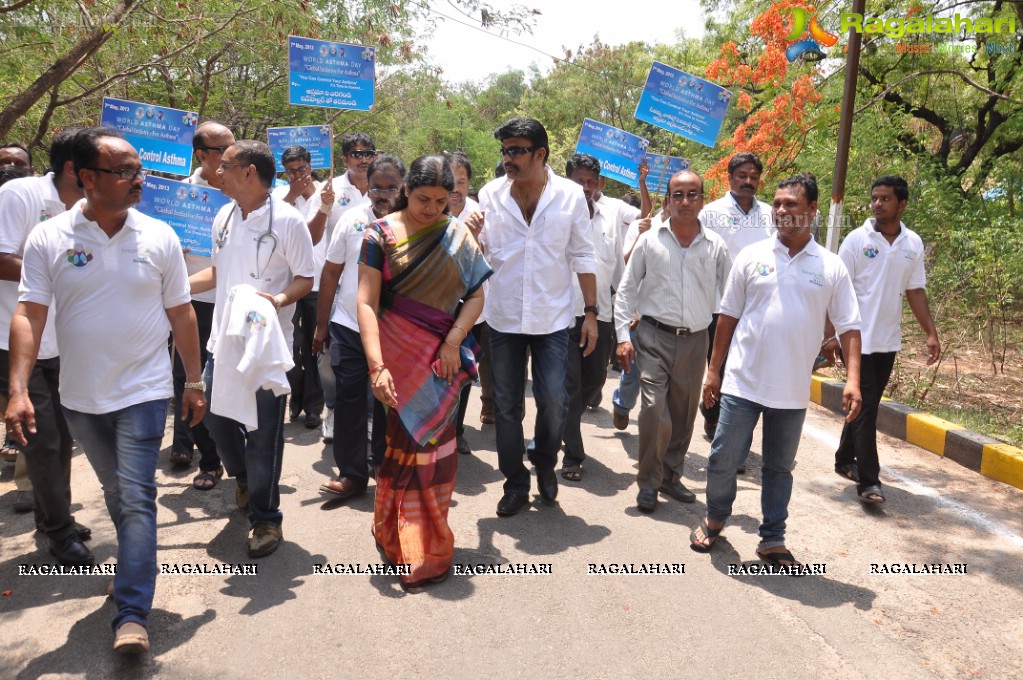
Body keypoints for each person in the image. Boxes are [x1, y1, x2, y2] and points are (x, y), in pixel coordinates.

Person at [6, 127, 204, 653]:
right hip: (81, 399)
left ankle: (132, 611)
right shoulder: (50, 238)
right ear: (86, 177)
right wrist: (18, 388)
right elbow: (29, 312)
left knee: (138, 496)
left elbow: (181, 312)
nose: (139, 179)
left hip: (144, 391)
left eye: (139, 169)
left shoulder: (159, 236)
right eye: (125, 171)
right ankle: (135, 570)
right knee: (117, 493)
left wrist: (194, 379)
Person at [692, 173, 862, 571]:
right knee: (722, 457)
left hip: (791, 389)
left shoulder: (831, 266)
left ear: (813, 211)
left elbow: (850, 327)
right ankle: (716, 517)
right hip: (742, 381)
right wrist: (713, 372)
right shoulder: (751, 257)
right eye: (779, 204)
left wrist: (853, 380)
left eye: (792, 205)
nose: (782, 211)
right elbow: (727, 318)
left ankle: (772, 539)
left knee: (778, 468)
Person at [357, 155, 490, 587]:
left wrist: (454, 341)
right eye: (422, 199)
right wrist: (377, 366)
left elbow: (475, 296)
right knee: (399, 446)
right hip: (395, 357)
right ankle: (396, 532)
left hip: (440, 361)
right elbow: (365, 302)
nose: (432, 209)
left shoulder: (456, 235)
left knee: (433, 453)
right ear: (406, 191)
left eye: (441, 200)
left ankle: (427, 540)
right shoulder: (379, 233)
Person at [466, 117, 597, 517]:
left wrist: (591, 313)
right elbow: (478, 257)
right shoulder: (489, 195)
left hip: (553, 321)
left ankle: (543, 463)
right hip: (502, 319)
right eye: (505, 151)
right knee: (506, 407)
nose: (508, 158)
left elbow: (583, 256)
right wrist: (471, 234)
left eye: (516, 150)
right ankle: (515, 483)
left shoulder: (572, 196)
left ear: (540, 154)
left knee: (554, 402)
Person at [189, 140, 315, 558]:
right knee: (215, 419)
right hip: (221, 341)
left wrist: (276, 300)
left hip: (265, 347)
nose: (214, 172)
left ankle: (265, 518)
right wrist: (172, 290)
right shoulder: (224, 215)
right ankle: (243, 477)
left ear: (249, 172)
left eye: (224, 166)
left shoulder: (288, 220)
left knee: (263, 436)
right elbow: (217, 270)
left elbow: (304, 278)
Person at [0, 128, 92, 561]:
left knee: (63, 436)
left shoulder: (88, 208)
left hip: (66, 340)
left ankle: (55, 515)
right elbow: (0, 258)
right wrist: (61, 273)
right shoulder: (20, 194)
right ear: (74, 167)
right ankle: (59, 531)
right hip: (17, 338)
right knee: (43, 439)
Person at [614, 170, 731, 512]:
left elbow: (735, 297)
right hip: (652, 337)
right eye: (677, 195)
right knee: (653, 409)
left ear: (702, 200)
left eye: (692, 194)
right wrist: (623, 337)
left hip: (696, 341)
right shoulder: (649, 241)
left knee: (682, 415)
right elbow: (626, 291)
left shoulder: (716, 247)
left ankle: (671, 475)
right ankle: (648, 482)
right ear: (667, 201)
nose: (685, 201)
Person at [826, 175, 940, 504]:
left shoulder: (912, 244)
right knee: (866, 410)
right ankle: (869, 481)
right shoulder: (856, 240)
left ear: (902, 204)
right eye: (874, 198)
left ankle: (844, 458)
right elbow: (835, 287)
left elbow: (915, 290)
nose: (877, 203)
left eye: (885, 199)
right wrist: (831, 334)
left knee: (868, 405)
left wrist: (930, 332)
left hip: (887, 340)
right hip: (855, 338)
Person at [314, 153, 405, 499]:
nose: (381, 195)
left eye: (390, 188)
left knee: (389, 400)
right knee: (350, 399)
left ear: (403, 188)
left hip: (394, 331)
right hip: (349, 326)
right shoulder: (351, 219)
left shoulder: (414, 222)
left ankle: (383, 463)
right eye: (376, 188)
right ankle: (352, 475)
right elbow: (331, 273)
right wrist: (322, 325)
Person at [697, 152, 772, 444]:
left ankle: (728, 429)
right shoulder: (711, 213)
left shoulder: (770, 214)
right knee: (721, 365)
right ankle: (714, 417)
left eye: (754, 176)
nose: (748, 181)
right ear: (729, 178)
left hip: (757, 308)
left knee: (744, 370)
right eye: (742, 176)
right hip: (719, 305)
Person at [175, 121, 234, 490]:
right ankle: (210, 461)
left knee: (234, 380)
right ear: (202, 154)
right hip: (191, 303)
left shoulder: (245, 191)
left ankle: (242, 456)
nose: (230, 154)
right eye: (222, 149)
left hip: (236, 303)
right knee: (191, 381)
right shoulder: (176, 196)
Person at [559, 153, 623, 482]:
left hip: (601, 316)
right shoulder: (553, 215)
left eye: (590, 181)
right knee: (569, 387)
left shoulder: (610, 218)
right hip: (563, 316)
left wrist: (624, 319)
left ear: (599, 184)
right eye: (578, 180)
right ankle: (573, 455)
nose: (584, 187)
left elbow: (619, 275)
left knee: (596, 380)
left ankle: (557, 425)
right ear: (566, 180)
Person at [272, 145, 335, 429]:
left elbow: (314, 237)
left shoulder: (328, 193)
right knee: (290, 344)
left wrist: (323, 204)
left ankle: (313, 405)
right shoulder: (278, 197)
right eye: (291, 171)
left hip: (319, 282)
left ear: (311, 166)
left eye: (302, 168)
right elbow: (270, 223)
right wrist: (292, 194)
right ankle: (293, 400)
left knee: (314, 345)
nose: (297, 175)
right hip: (287, 282)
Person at [446, 150, 495, 453]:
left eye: (461, 181)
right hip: (434, 307)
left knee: (464, 371)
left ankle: (456, 430)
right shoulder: (428, 207)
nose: (455, 188)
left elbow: (483, 265)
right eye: (450, 180)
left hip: (470, 312)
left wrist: (474, 236)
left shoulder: (481, 214)